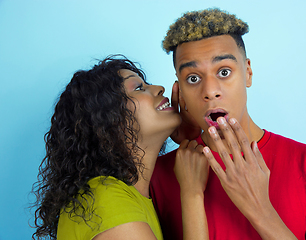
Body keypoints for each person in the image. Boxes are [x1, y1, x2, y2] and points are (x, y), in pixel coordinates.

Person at [150, 8, 306, 240]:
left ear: (248, 72)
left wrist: (259, 208)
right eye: (193, 78)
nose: (210, 91)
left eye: (224, 71)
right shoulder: (159, 176)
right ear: (180, 91)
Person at [31, 55, 210, 240]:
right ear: (109, 119)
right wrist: (192, 194)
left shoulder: (126, 196)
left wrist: (194, 139)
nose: (159, 88)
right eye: (139, 88)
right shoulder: (107, 199)